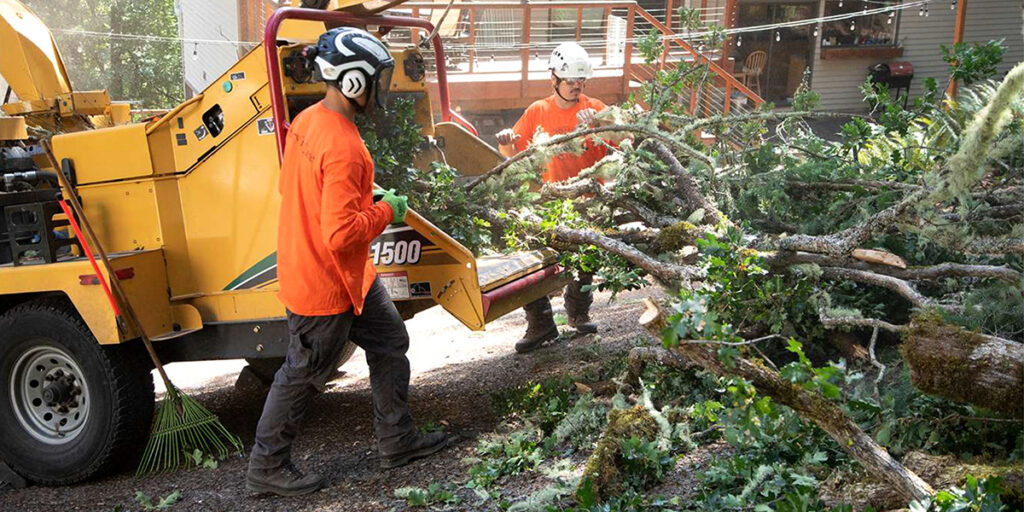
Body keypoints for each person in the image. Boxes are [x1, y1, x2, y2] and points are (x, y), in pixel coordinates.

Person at [246, 27, 446, 497]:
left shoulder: (310, 122)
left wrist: (363, 195)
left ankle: (397, 440)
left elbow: (300, 190)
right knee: (302, 373)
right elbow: (339, 233)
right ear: (354, 82)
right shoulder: (344, 146)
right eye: (377, 79)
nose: (382, 89)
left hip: (349, 278)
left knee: (391, 341)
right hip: (325, 284)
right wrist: (385, 210)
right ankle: (266, 467)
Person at [494, 41, 609, 354]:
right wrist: (505, 141)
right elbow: (515, 155)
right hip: (548, 202)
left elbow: (623, 141)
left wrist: (601, 127)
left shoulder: (595, 108)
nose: (576, 87)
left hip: (586, 200)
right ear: (555, 79)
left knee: (586, 260)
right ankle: (541, 322)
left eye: (581, 81)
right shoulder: (537, 112)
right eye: (571, 81)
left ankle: (578, 311)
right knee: (531, 261)